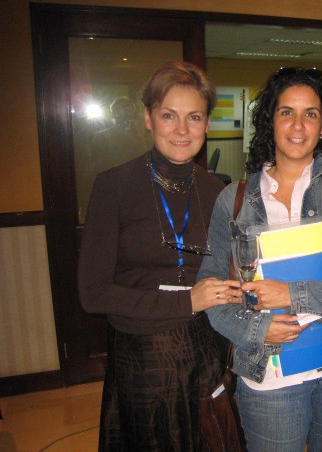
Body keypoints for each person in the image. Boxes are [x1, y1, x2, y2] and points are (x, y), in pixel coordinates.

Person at [198, 67, 322, 451]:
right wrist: (255, 330)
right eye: (286, 112)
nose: (298, 125)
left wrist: (293, 294)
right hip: (270, 377)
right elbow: (213, 291)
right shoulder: (234, 201)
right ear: (270, 120)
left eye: (311, 114)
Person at [78, 61, 242, 451]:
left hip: (206, 348)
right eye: (169, 115)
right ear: (148, 118)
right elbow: (93, 294)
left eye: (194, 117)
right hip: (143, 358)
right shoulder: (114, 186)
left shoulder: (218, 191)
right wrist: (188, 300)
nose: (182, 130)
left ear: (207, 124)